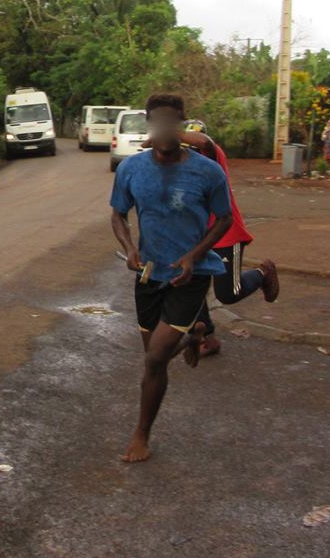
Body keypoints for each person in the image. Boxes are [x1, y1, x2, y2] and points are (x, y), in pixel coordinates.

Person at [110, 94, 234, 463]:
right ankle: (195, 334)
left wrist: (195, 255)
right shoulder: (131, 169)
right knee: (155, 357)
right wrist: (130, 247)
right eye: (158, 120)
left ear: (181, 125)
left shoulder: (208, 172)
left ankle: (141, 436)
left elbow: (224, 219)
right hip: (149, 275)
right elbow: (118, 215)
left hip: (190, 276)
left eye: (171, 121)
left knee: (154, 361)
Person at [175, 130, 280, 364]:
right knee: (188, 286)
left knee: (228, 293)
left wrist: (168, 133)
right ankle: (208, 338)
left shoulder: (211, 157)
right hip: (198, 240)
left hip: (225, 235)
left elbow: (204, 142)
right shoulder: (180, 167)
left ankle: (263, 273)